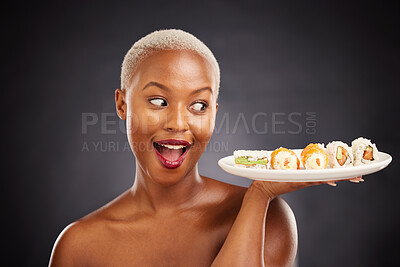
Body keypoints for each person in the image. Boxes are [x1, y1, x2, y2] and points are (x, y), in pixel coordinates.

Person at [49, 29, 363, 267]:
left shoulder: (268, 218)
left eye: (198, 105)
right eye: (159, 101)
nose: (177, 123)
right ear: (122, 104)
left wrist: (258, 197)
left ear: (214, 111)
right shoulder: (79, 246)